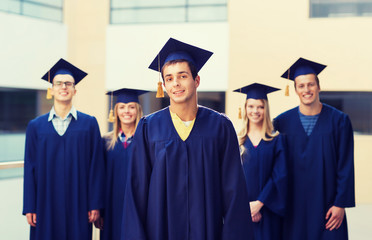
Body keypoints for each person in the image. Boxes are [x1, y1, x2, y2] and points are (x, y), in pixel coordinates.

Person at [121, 38, 254, 240]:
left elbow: (234, 191)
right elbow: (137, 191)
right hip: (160, 231)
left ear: (196, 80)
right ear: (164, 85)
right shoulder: (149, 127)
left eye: (182, 76)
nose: (176, 83)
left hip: (207, 232)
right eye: (169, 78)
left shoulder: (220, 127)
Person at [22, 58, 105, 240]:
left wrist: (95, 203)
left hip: (80, 202)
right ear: (51, 89)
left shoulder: (89, 124)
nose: (63, 87)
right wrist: (30, 206)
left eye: (68, 83)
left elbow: (96, 166)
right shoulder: (36, 126)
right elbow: (30, 167)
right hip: (45, 202)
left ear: (75, 90)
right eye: (58, 83)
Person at [273, 58, 355, 240]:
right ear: (295, 90)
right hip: (294, 207)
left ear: (318, 86)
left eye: (310, 84)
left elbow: (346, 165)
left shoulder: (339, 121)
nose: (306, 90)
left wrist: (340, 204)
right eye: (301, 86)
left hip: (329, 207)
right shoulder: (282, 123)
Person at [235, 83, 287, 240]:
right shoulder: (237, 140)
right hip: (242, 211)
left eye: (260, 107)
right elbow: (231, 178)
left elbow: (280, 175)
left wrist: (259, 204)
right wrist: (246, 207)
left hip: (268, 211)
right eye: (251, 106)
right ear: (245, 108)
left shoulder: (276, 139)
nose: (255, 111)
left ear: (266, 109)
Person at [95, 88, 148, 240]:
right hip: (112, 207)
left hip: (138, 206)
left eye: (131, 107)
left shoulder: (146, 141)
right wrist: (100, 209)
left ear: (138, 110)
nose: (127, 111)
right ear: (116, 111)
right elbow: (100, 178)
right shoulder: (105, 142)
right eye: (122, 107)